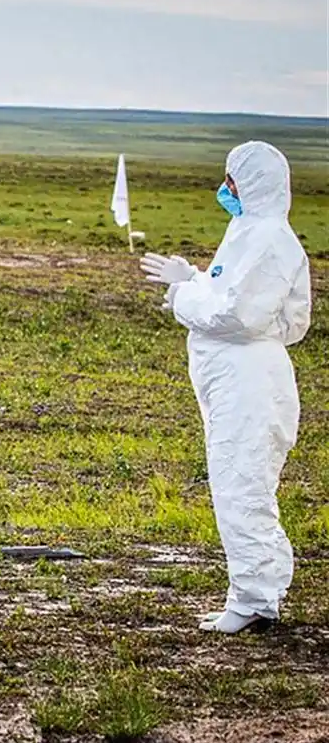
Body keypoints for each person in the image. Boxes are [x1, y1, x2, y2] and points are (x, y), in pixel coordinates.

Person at [140, 140, 311, 635]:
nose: (226, 189)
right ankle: (261, 592)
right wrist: (194, 277)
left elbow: (238, 315)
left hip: (249, 385)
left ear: (252, 183)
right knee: (242, 484)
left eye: (232, 180)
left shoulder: (269, 240)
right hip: (239, 381)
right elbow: (245, 302)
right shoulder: (250, 233)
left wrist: (182, 294)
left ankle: (254, 599)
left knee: (243, 488)